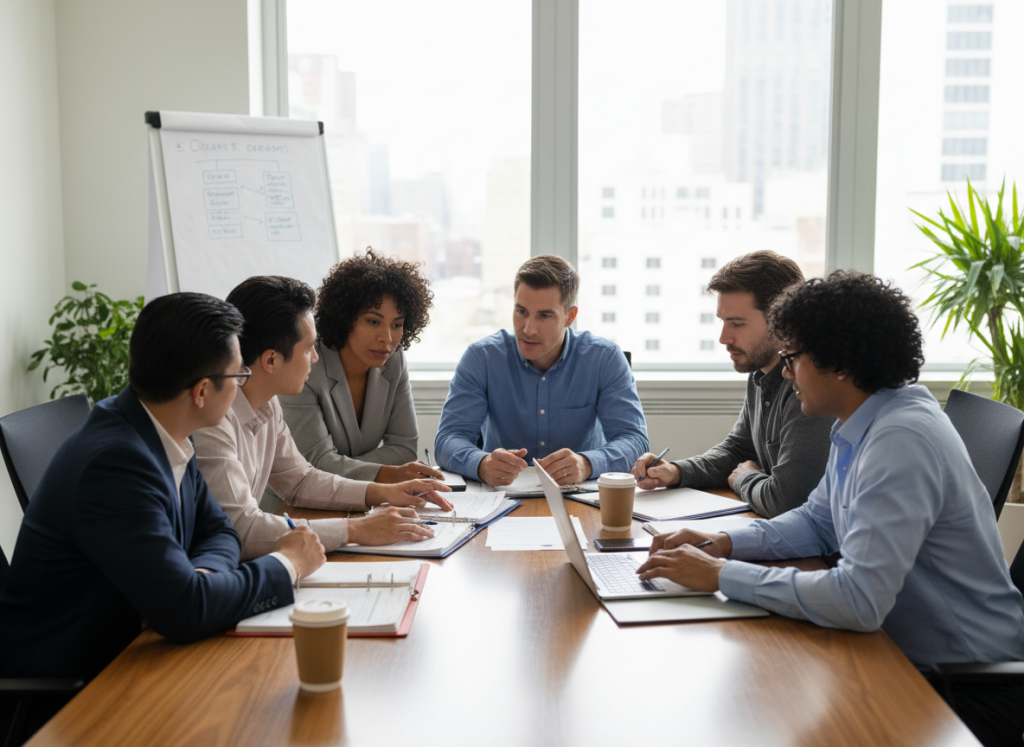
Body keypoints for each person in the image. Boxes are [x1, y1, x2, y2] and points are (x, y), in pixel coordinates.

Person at [636, 272, 1024, 747]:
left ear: (838, 363)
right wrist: (723, 544)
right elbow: (817, 522)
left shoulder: (900, 440)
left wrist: (720, 575)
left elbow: (858, 600)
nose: (785, 373)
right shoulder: (863, 422)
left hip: (962, 686)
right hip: (900, 656)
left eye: (792, 358)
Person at [0, 292, 325, 730]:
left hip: (139, 650)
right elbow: (186, 611)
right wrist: (288, 563)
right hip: (76, 697)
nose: (242, 384)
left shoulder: (163, 428)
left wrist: (202, 581)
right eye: (238, 374)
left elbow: (219, 533)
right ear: (202, 391)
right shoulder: (117, 463)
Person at [193, 276, 452, 561]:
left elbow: (300, 481)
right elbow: (242, 529)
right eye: (308, 349)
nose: (315, 358)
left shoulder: (267, 403)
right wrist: (354, 529)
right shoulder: (212, 421)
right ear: (271, 360)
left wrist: (386, 492)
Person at [631, 250, 834, 517]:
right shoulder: (759, 373)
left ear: (782, 320)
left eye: (737, 324)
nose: (723, 338)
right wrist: (676, 471)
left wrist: (744, 478)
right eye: (723, 321)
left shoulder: (811, 388)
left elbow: (787, 501)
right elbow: (738, 449)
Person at [435, 254, 648, 487]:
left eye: (544, 315)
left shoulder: (604, 359)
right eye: (521, 311)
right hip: (501, 496)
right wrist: (481, 463)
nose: (528, 329)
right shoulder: (482, 358)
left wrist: (587, 464)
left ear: (569, 317)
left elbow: (634, 440)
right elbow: (448, 439)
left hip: (580, 494)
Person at [280, 249, 444, 484]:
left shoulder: (394, 361)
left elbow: (404, 449)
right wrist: (387, 472)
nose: (387, 338)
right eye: (373, 321)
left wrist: (340, 465)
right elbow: (315, 464)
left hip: (359, 496)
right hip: (290, 501)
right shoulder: (307, 364)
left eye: (397, 325)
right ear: (345, 318)